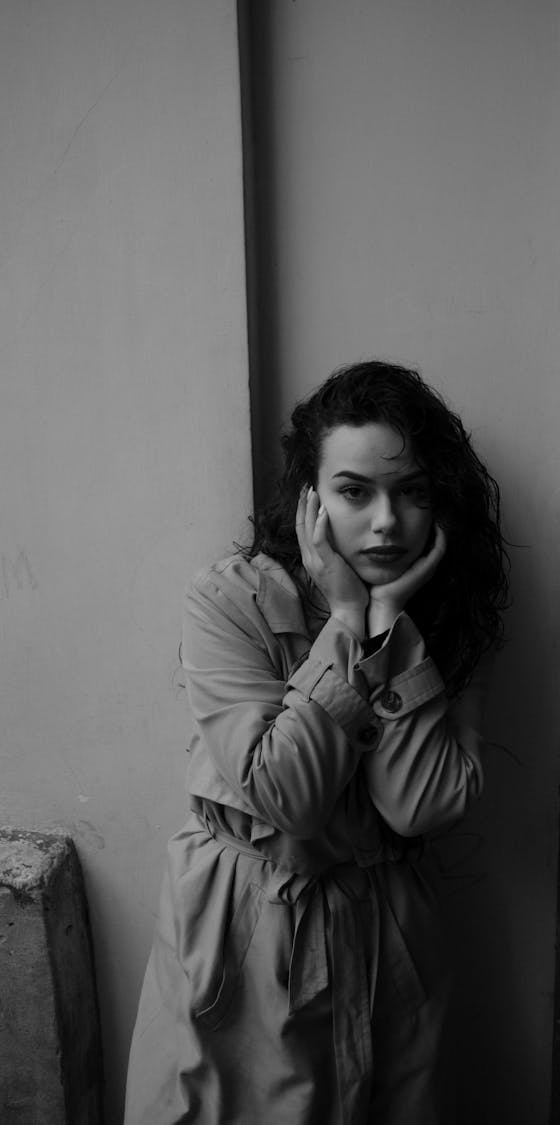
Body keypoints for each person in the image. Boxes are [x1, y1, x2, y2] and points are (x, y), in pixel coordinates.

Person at [124, 360, 509, 1125]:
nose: (388, 523)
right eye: (355, 491)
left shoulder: (457, 612)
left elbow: (419, 805)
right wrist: (342, 619)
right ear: (309, 498)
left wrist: (388, 625)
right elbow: (288, 798)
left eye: (413, 492)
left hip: (387, 930)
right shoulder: (229, 598)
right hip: (246, 929)